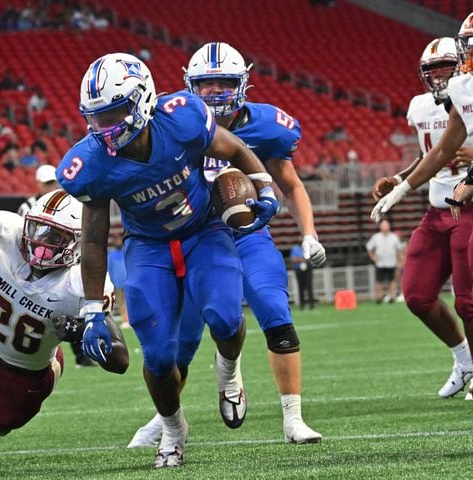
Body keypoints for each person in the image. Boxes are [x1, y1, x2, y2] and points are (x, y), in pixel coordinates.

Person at [57, 52, 279, 468]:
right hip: (148, 247)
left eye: (114, 114)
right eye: (96, 117)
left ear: (142, 101)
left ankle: (228, 372)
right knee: (158, 357)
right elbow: (92, 238)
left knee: (225, 317)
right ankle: (174, 430)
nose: (104, 128)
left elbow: (234, 147)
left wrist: (264, 187)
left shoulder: (181, 119)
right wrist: (90, 308)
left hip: (203, 230)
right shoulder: (87, 164)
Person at [127, 42, 323, 449]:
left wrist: (309, 233)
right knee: (179, 343)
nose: (215, 92)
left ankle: (292, 417)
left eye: (224, 83)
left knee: (274, 309)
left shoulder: (266, 126)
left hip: (247, 234)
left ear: (243, 83)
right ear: (189, 85)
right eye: (206, 83)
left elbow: (290, 183)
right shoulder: (172, 120)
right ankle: (166, 421)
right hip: (192, 238)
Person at [0, 187, 129, 463]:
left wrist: (81, 332)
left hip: (27, 371)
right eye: (37, 229)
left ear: (77, 243)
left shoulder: (82, 283)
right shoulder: (7, 232)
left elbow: (120, 361)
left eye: (55, 236)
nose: (41, 243)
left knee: (3, 419)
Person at [372, 9, 473, 401]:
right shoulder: (463, 87)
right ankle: (472, 366)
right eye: (468, 44)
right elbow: (444, 145)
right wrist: (402, 185)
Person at [17, 164, 92, 367]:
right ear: (39, 184)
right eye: (48, 183)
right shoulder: (28, 206)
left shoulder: (69, 203)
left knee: (71, 309)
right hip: (36, 266)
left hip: (63, 264)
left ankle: (81, 353)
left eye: (54, 182)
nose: (52, 187)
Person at [366, 220, 403, 303]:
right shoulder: (376, 237)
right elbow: (369, 247)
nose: (385, 227)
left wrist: (399, 260)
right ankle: (378, 298)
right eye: (384, 226)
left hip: (391, 263)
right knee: (379, 281)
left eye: (386, 225)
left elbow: (399, 249)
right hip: (380, 264)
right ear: (381, 227)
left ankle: (391, 297)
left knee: (392, 280)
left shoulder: (394, 237)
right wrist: (373, 258)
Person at [290, 242, 315, 309]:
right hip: (298, 269)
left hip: (308, 269)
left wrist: (300, 259)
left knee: (309, 286)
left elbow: (311, 257)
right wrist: (303, 259)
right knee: (300, 287)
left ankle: (311, 304)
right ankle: (302, 305)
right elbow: (293, 259)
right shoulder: (295, 248)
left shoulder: (308, 247)